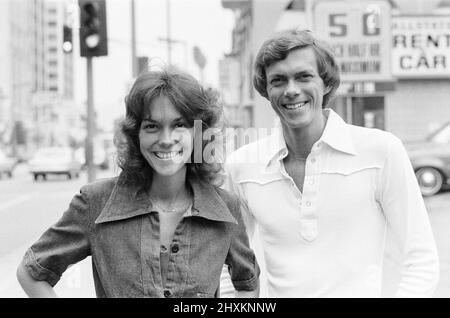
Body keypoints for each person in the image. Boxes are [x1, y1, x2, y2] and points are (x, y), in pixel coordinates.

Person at [221, 29, 439, 297]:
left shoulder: (381, 152)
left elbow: (421, 259)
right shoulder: (242, 166)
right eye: (278, 80)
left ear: (325, 83)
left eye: (304, 76)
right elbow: (226, 264)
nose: (291, 90)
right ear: (266, 90)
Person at [16, 67, 259, 298]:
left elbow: (248, 282)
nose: (166, 139)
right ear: (136, 135)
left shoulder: (225, 208)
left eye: (179, 125)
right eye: (152, 126)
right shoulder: (96, 203)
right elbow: (32, 272)